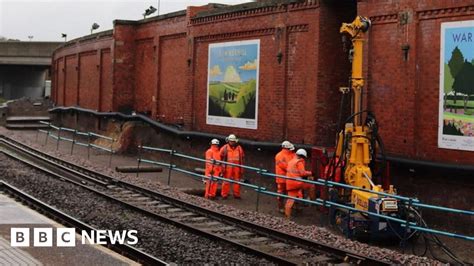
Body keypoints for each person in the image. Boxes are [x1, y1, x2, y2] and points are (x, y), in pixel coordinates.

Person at [285, 148, 315, 218]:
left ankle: (287, 217)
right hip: (297, 183)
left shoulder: (291, 161)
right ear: (302, 156)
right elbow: (302, 173)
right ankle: (312, 201)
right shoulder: (299, 162)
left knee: (290, 199)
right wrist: (311, 173)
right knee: (311, 186)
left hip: (289, 183)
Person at [220, 134, 244, 199]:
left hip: (236, 167)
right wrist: (222, 168)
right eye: (231, 141)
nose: (232, 142)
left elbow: (242, 158)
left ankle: (236, 194)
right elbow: (221, 157)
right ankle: (224, 194)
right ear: (228, 141)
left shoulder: (239, 148)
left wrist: (241, 168)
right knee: (226, 181)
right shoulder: (224, 148)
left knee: (237, 181)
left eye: (233, 141)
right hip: (228, 167)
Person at [274, 140, 295, 213]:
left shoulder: (280, 155)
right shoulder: (280, 156)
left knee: (283, 193)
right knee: (283, 193)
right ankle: (281, 208)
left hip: (285, 178)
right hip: (284, 178)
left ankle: (285, 208)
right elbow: (286, 166)